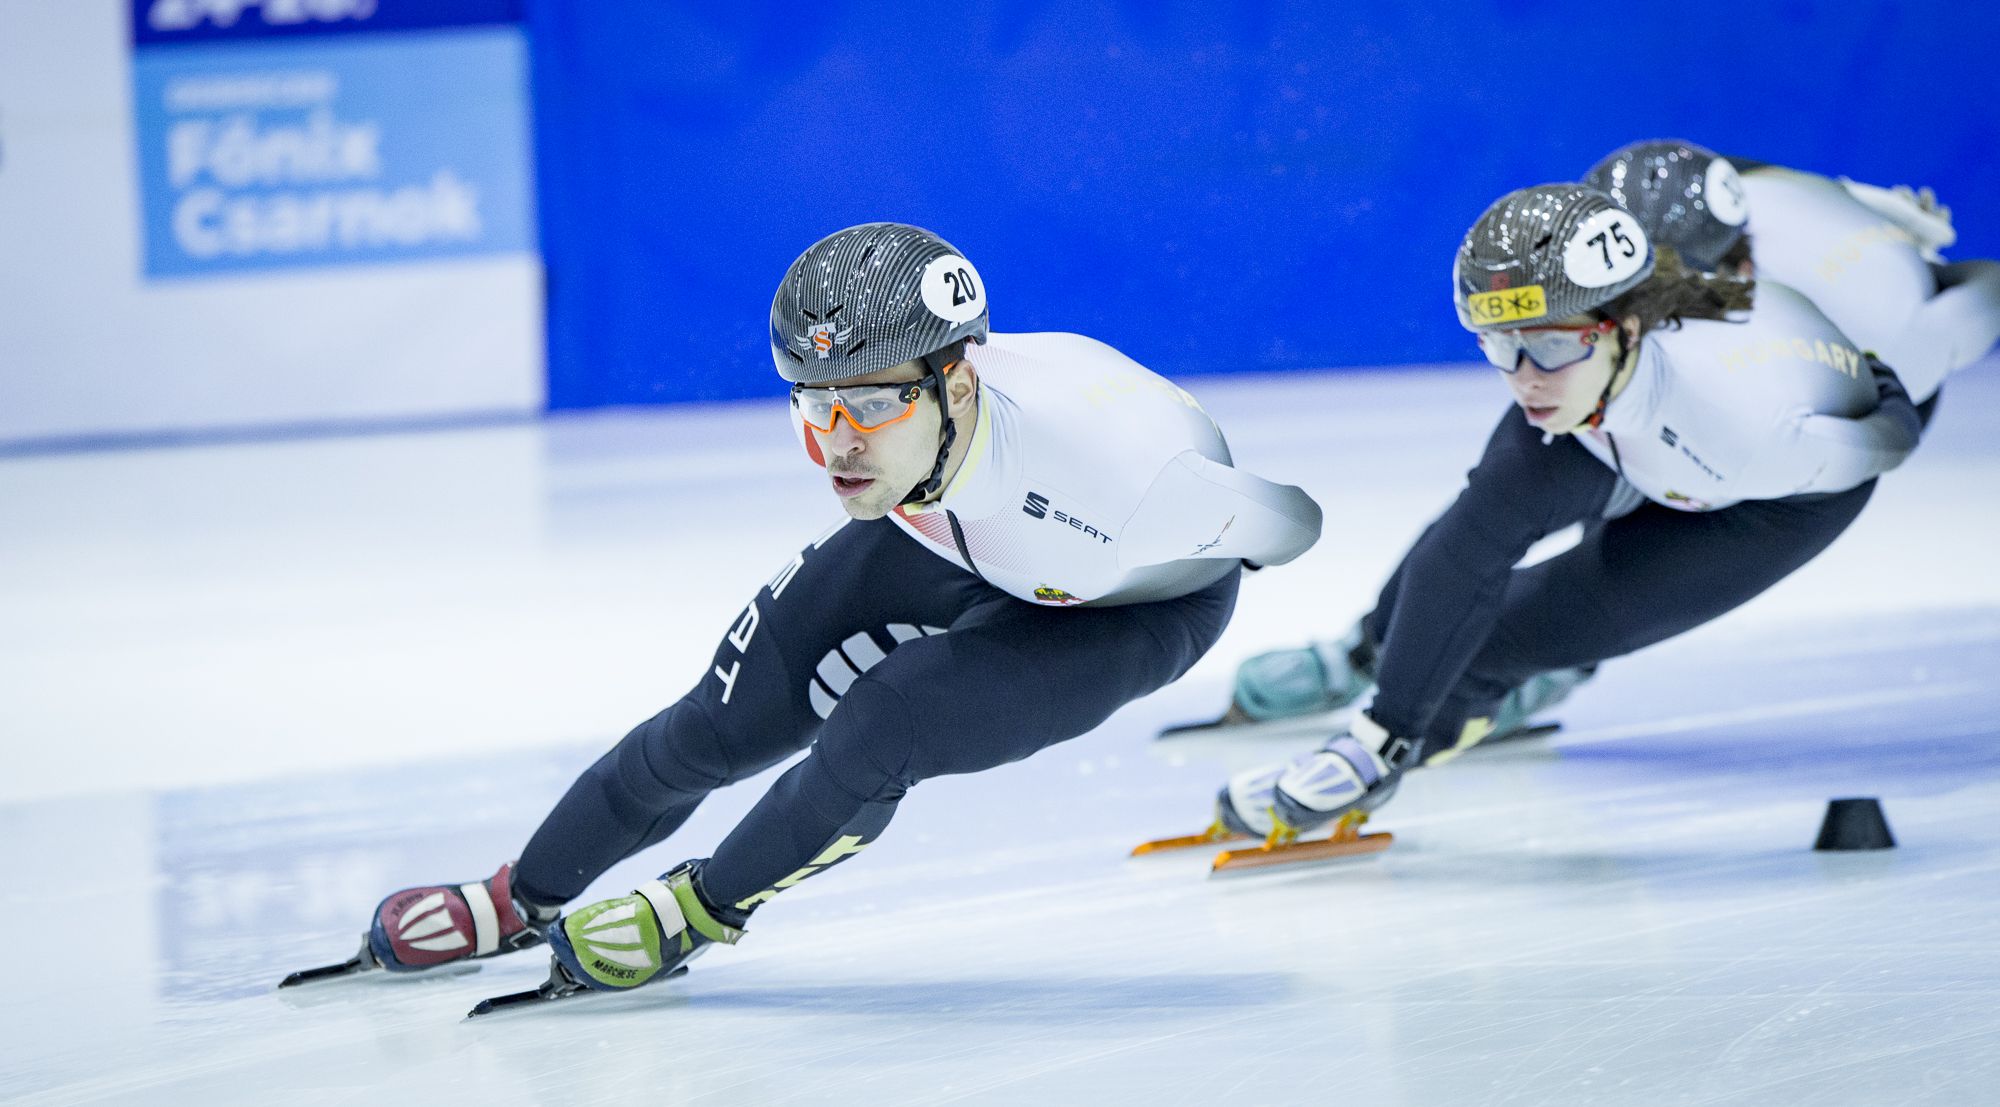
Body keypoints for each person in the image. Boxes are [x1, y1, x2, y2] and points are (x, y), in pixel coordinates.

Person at [345, 222, 1324, 998]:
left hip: (1119, 612)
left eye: (867, 403)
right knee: (711, 726)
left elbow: (1290, 524)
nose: (836, 444)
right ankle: (518, 896)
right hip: (936, 536)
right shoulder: (900, 442)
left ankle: (699, 907)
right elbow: (874, 450)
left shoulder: (1127, 472)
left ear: (958, 379)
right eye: (813, 403)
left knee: (880, 726)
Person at [1204, 185, 1919, 846]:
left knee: (1501, 641)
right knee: (1477, 527)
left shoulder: (1756, 426)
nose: (1524, 379)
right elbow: (1461, 557)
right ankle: (1368, 656)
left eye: (1547, 344)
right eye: (1500, 346)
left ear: (1628, 326)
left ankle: (1509, 685)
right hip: (1627, 428)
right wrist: (1377, 733)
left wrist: (1386, 752)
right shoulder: (1569, 382)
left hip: (1768, 505)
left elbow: (1889, 440)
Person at [1583, 138, 2000, 409]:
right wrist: (1858, 198)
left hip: (1904, 340)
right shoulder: (1725, 200)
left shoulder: (1869, 327)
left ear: (1743, 271)